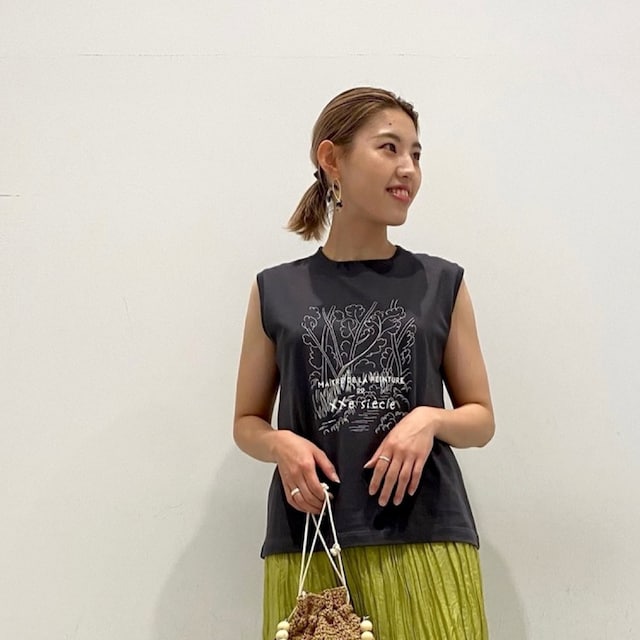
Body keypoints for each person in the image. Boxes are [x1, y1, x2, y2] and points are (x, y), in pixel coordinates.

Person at [233, 87, 495, 640]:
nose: (409, 169)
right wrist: (281, 445)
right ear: (332, 159)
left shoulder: (442, 283)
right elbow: (246, 423)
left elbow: (480, 419)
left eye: (416, 154)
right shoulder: (275, 290)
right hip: (311, 545)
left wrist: (429, 419)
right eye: (389, 148)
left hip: (427, 539)